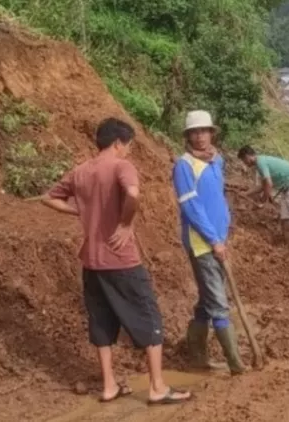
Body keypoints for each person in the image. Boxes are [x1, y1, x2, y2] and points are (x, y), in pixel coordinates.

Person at [41, 117, 191, 405]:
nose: (129, 151)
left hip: (92, 262)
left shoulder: (81, 171)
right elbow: (133, 194)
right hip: (121, 260)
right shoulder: (122, 166)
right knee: (149, 318)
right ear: (119, 143)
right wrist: (125, 223)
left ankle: (109, 386)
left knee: (102, 323)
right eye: (129, 145)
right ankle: (157, 387)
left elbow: (49, 198)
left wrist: (83, 212)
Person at [171, 110, 245, 375]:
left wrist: (223, 232)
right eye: (195, 132)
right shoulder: (184, 166)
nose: (200, 136)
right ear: (188, 136)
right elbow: (191, 207)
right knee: (218, 301)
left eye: (204, 131)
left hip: (218, 239)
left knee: (206, 298)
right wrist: (213, 239)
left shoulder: (216, 160)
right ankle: (235, 363)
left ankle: (197, 356)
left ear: (212, 133)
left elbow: (217, 198)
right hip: (202, 242)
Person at [238, 145, 289, 248]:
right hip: (287, 188)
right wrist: (246, 193)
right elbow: (263, 186)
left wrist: (263, 201)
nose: (244, 163)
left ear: (248, 156)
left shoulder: (260, 162)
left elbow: (269, 184)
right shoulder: (261, 162)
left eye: (244, 160)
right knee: (285, 218)